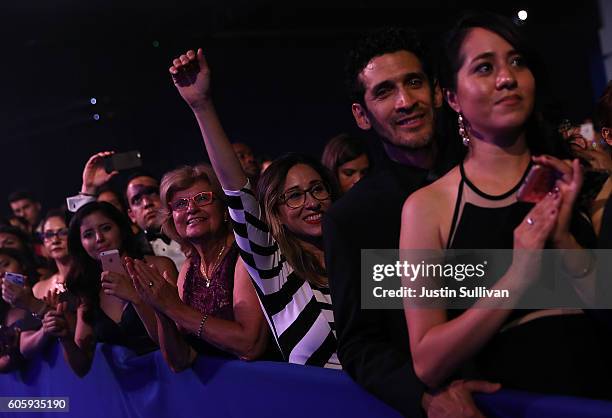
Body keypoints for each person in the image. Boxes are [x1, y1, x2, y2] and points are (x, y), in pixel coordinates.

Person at [400, 12, 609, 398]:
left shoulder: (578, 178)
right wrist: (517, 276)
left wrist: (563, 239)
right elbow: (428, 362)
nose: (506, 78)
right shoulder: (428, 206)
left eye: (517, 62)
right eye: (484, 67)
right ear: (452, 97)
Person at [323, 27, 491, 418]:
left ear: (436, 92)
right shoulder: (353, 218)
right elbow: (360, 343)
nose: (405, 102)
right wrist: (426, 398)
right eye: (383, 92)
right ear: (361, 115)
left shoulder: (495, 179)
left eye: (414, 83)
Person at [169, 49, 341, 368]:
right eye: (294, 196)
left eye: (318, 189)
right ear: (274, 210)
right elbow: (238, 193)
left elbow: (440, 300)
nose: (311, 202)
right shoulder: (274, 269)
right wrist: (201, 106)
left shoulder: (359, 260)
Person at [125, 164, 269, 370]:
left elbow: (250, 345)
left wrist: (173, 307)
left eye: (203, 198)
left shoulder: (244, 255)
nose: (191, 208)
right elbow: (179, 361)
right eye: (180, 204)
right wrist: (160, 309)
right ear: (172, 220)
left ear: (224, 208)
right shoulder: (189, 268)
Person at [56, 202, 177, 376]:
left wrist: (136, 298)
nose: (99, 238)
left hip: (172, 378)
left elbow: (174, 340)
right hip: (129, 395)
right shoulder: (88, 289)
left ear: (120, 228)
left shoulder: (158, 267)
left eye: (106, 228)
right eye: (88, 234)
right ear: (80, 243)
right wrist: (65, 337)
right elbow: (82, 367)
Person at [67, 152, 186, 270]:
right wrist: (89, 188)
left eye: (152, 193)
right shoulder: (128, 252)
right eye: (136, 200)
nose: (146, 203)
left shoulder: (192, 230)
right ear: (131, 215)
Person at [20, 210, 73, 359]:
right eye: (48, 235)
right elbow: (24, 347)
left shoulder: (86, 279)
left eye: (62, 232)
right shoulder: (39, 288)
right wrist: (45, 331)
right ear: (43, 241)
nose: (55, 240)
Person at [0, 248, 41, 372]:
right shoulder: (3, 312)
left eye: (5, 265)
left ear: (22, 265)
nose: (1, 273)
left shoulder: (42, 292)